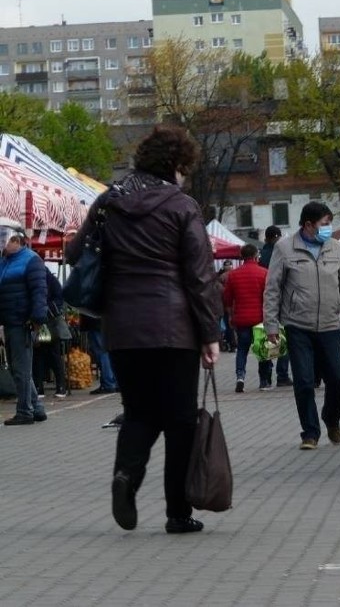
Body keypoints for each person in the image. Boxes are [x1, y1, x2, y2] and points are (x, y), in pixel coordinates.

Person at [67, 125, 222, 534]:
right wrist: (210, 333)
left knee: (138, 413)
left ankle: (125, 477)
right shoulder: (181, 206)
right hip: (174, 330)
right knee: (180, 420)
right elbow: (199, 276)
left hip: (121, 327)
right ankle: (177, 512)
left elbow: (75, 252)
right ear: (175, 165)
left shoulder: (107, 200)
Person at [263, 201, 340, 449]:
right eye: (325, 224)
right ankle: (310, 432)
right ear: (308, 225)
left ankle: (332, 418)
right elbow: (272, 289)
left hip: (329, 325)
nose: (329, 229)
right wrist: (271, 327)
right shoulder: (285, 249)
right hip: (298, 326)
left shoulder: (335, 248)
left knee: (337, 379)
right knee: (304, 381)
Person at [0, 226, 48, 425]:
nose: (3, 245)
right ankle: (36, 408)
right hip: (10, 321)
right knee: (19, 368)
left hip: (22, 321)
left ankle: (25, 411)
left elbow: (39, 291)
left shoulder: (30, 260)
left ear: (16, 241)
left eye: (6, 241)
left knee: (21, 369)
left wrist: (37, 318)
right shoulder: (5, 262)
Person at [223, 244, 273, 392]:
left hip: (242, 319)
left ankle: (240, 376)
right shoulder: (264, 273)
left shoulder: (233, 275)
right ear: (256, 255)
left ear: (242, 257)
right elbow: (270, 297)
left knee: (242, 350)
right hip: (260, 318)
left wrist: (231, 315)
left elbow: (227, 298)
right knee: (262, 350)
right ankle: (264, 381)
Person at [258, 225, 292, 386]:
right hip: (282, 300)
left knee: (268, 338)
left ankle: (266, 377)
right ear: (277, 237)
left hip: (265, 302)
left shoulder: (261, 255)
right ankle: (282, 374)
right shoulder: (282, 253)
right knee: (282, 338)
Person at [33, 268, 69, 399]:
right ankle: (53, 386)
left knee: (46, 353)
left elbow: (58, 298)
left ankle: (46, 387)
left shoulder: (47, 279)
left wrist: (45, 310)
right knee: (45, 353)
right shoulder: (48, 278)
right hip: (44, 321)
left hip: (47, 322)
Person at [82, 315, 119, 395]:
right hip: (109, 321)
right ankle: (114, 382)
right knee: (109, 351)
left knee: (102, 353)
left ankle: (108, 383)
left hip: (96, 321)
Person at [217, 260, 236, 352]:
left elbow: (220, 293)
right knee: (233, 326)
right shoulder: (236, 274)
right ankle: (234, 344)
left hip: (225, 306)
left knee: (228, 326)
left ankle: (230, 344)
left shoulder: (221, 277)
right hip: (235, 304)